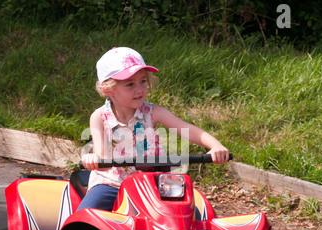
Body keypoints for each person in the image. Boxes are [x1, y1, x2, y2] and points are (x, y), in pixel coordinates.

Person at [78, 47, 229, 211]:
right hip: (113, 183)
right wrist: (93, 159)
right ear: (108, 90)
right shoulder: (100, 117)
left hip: (156, 179)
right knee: (87, 214)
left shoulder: (152, 112)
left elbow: (187, 129)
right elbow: (104, 161)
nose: (139, 89)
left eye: (143, 81)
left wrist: (215, 145)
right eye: (130, 84)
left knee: (191, 213)